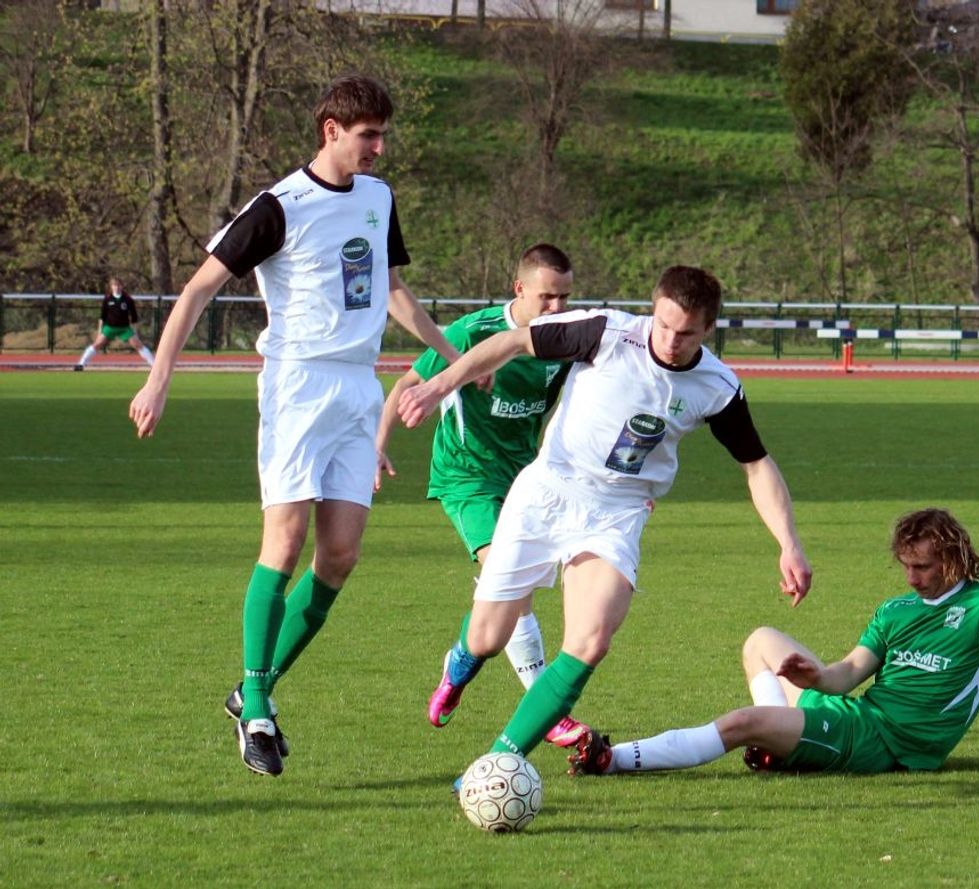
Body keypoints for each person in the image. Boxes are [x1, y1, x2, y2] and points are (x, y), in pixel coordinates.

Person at [129, 74, 464, 778]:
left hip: (357, 388)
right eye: (367, 134)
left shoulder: (378, 198)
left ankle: (253, 687)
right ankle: (255, 703)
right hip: (298, 387)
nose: (378, 147)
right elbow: (196, 289)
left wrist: (453, 357)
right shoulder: (281, 206)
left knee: (338, 556)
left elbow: (394, 291)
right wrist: (160, 376)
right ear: (331, 130)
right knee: (283, 543)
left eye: (382, 134)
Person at [396, 265, 812, 785]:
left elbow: (756, 464)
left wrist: (788, 544)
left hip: (617, 512)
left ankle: (496, 763)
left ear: (708, 330)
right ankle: (460, 661)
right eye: (664, 325)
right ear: (653, 310)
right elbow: (514, 342)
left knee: (590, 641)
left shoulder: (719, 387)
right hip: (548, 491)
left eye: (686, 333)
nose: (671, 340)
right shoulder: (605, 332)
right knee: (488, 636)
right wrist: (439, 385)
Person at [568, 508, 979, 780]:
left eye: (924, 567)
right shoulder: (895, 611)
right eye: (906, 566)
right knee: (760, 639)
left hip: (890, 745)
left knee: (745, 721)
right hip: (864, 718)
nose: (911, 578)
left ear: (953, 559)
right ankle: (775, 752)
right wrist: (814, 677)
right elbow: (847, 673)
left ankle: (613, 758)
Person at [375, 242, 590, 748]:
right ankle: (546, 709)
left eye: (565, 297)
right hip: (466, 475)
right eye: (547, 297)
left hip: (526, 478)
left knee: (512, 597)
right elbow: (409, 384)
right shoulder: (473, 333)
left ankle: (460, 664)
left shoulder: (567, 341)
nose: (558, 308)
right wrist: (376, 445)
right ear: (520, 289)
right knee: (507, 575)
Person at [75, 277, 155, 370]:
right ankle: (81, 364)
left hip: (124, 328)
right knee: (97, 344)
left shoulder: (128, 299)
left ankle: (154, 365)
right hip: (110, 328)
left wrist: (135, 331)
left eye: (118, 285)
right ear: (111, 287)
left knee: (138, 345)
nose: (117, 287)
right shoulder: (108, 299)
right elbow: (102, 317)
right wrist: (100, 331)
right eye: (114, 285)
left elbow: (134, 317)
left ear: (122, 286)